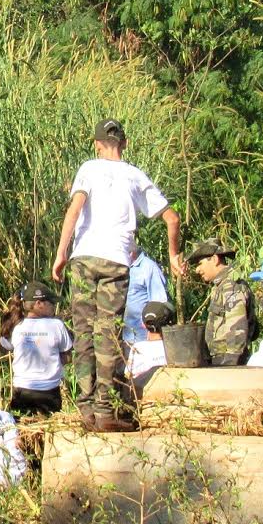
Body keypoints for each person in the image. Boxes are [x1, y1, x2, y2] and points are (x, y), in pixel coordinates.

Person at [50, 118, 184, 431]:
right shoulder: (135, 176)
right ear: (124, 144)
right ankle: (106, 413)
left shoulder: (89, 168)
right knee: (107, 335)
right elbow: (172, 219)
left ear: (97, 144)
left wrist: (61, 252)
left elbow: (75, 208)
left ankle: (85, 410)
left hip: (84, 259)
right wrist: (174, 255)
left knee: (83, 332)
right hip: (116, 261)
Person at [5, 281, 73, 415]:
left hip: (22, 392)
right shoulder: (57, 325)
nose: (54, 306)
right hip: (49, 393)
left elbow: (6, 346)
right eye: (51, 302)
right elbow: (67, 357)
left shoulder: (15, 326)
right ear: (38, 304)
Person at [187, 238, 253, 367]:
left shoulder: (231, 286)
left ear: (215, 259)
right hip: (219, 359)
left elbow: (237, 329)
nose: (197, 270)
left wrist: (230, 365)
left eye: (200, 263)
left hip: (228, 361)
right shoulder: (220, 286)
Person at [123, 245, 171, 347]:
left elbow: (159, 307)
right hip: (122, 337)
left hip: (142, 340)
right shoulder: (121, 267)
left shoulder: (149, 267)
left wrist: (154, 336)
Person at [126, 300, 173, 393]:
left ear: (143, 324)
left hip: (143, 394)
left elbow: (128, 375)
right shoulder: (173, 347)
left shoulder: (137, 348)